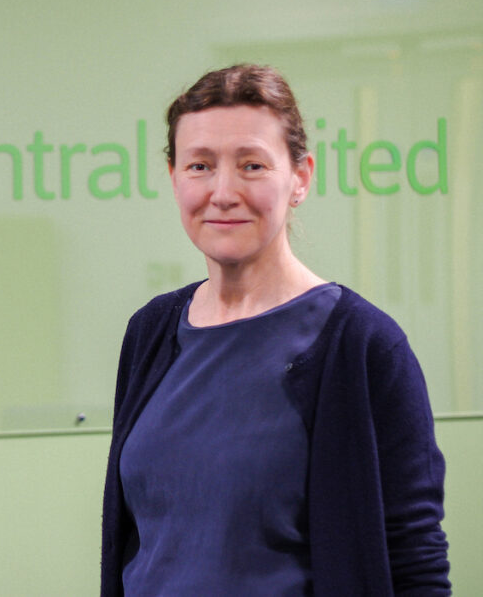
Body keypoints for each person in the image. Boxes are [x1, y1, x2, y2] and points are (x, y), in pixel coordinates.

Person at [101, 65, 449, 595]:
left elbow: (415, 560)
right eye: (200, 166)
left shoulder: (362, 345)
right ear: (174, 178)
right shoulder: (150, 332)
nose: (223, 192)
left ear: (300, 177)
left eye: (252, 165)